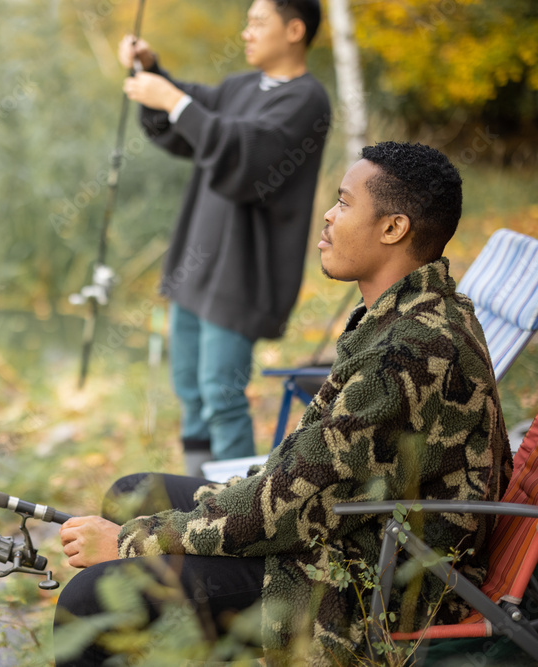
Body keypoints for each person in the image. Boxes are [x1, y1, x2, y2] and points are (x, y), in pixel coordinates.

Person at [54, 141, 513, 666]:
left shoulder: (411, 350)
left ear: (393, 228)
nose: (328, 214)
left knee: (90, 598)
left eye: (344, 203)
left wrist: (132, 544)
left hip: (371, 591)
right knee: (135, 493)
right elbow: (308, 476)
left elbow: (284, 510)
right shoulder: (416, 310)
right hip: (349, 530)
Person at [119, 0, 331, 471]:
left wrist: (174, 101)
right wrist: (154, 71)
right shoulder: (239, 86)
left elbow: (247, 157)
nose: (246, 33)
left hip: (243, 278)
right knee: (191, 393)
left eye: (258, 23)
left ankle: (234, 523)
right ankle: (198, 503)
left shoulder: (306, 101)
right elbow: (193, 125)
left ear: (294, 29)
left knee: (222, 395)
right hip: (197, 267)